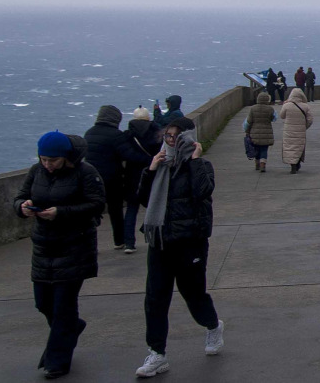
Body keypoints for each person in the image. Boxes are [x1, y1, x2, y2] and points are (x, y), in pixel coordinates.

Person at [134, 117, 224, 377]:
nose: (171, 140)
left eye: (176, 136)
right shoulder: (160, 165)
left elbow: (203, 192)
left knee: (194, 295)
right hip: (160, 241)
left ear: (188, 137)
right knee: (155, 299)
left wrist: (195, 160)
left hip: (189, 242)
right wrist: (150, 170)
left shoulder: (202, 165)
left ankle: (212, 326)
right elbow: (142, 200)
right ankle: (157, 354)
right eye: (168, 136)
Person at [14, 130, 105, 379]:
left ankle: (57, 361)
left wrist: (61, 213)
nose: (48, 165)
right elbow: (20, 196)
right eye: (43, 159)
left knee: (63, 306)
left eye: (52, 161)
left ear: (65, 157)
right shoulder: (36, 172)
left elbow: (97, 204)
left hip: (75, 246)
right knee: (43, 303)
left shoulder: (86, 173)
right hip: (44, 247)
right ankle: (73, 328)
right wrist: (22, 208)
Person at [84, 105, 151, 253]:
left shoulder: (89, 133)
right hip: (112, 179)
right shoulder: (115, 135)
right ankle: (119, 241)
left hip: (91, 180)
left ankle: (88, 245)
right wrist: (151, 160)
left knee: (92, 212)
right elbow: (128, 155)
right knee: (115, 211)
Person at [121, 107, 163, 254]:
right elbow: (161, 151)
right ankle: (156, 237)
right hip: (151, 174)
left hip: (132, 176)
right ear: (147, 118)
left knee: (132, 209)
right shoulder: (156, 132)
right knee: (155, 206)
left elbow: (125, 154)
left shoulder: (127, 135)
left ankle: (128, 243)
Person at [279, 87, 313, 173]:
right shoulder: (305, 106)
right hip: (300, 130)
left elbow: (282, 116)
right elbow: (310, 120)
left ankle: (292, 165)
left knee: (290, 147)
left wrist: (284, 104)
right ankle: (297, 163)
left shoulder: (287, 105)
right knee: (298, 147)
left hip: (288, 130)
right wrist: (304, 127)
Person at [244, 92, 276, 172]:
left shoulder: (253, 108)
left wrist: (247, 131)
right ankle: (263, 164)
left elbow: (249, 121)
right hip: (266, 132)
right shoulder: (270, 109)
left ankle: (257, 163)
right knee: (264, 149)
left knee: (256, 149)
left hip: (254, 132)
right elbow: (273, 118)